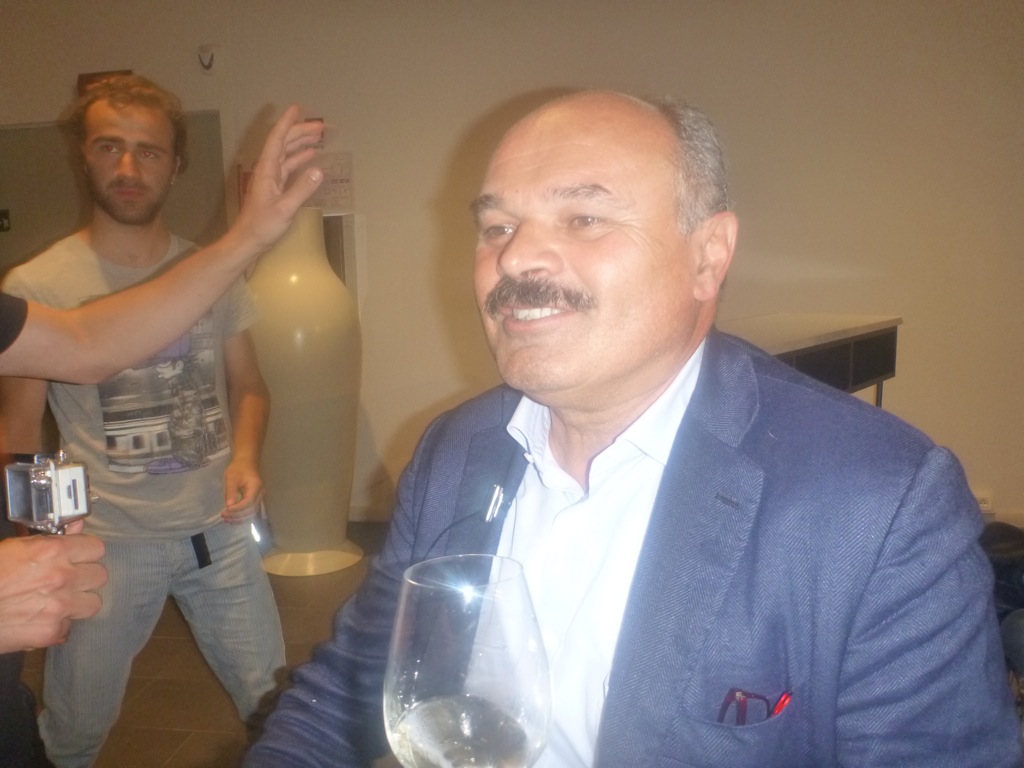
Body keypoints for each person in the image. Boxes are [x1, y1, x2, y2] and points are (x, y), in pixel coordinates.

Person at [246, 90, 1020, 767]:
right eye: (497, 226)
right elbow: (352, 685)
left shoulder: (877, 505)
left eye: (583, 217)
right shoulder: (456, 450)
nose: (516, 257)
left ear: (708, 257)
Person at [0, 75, 320, 768]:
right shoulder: (37, 287)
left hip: (221, 536)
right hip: (110, 546)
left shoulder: (212, 272)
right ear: (83, 156)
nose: (127, 166)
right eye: (108, 146)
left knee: (277, 708)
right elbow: (18, 436)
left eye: (148, 151)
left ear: (175, 166)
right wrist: (39, 549)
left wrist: (246, 457)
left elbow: (250, 387)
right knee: (75, 733)